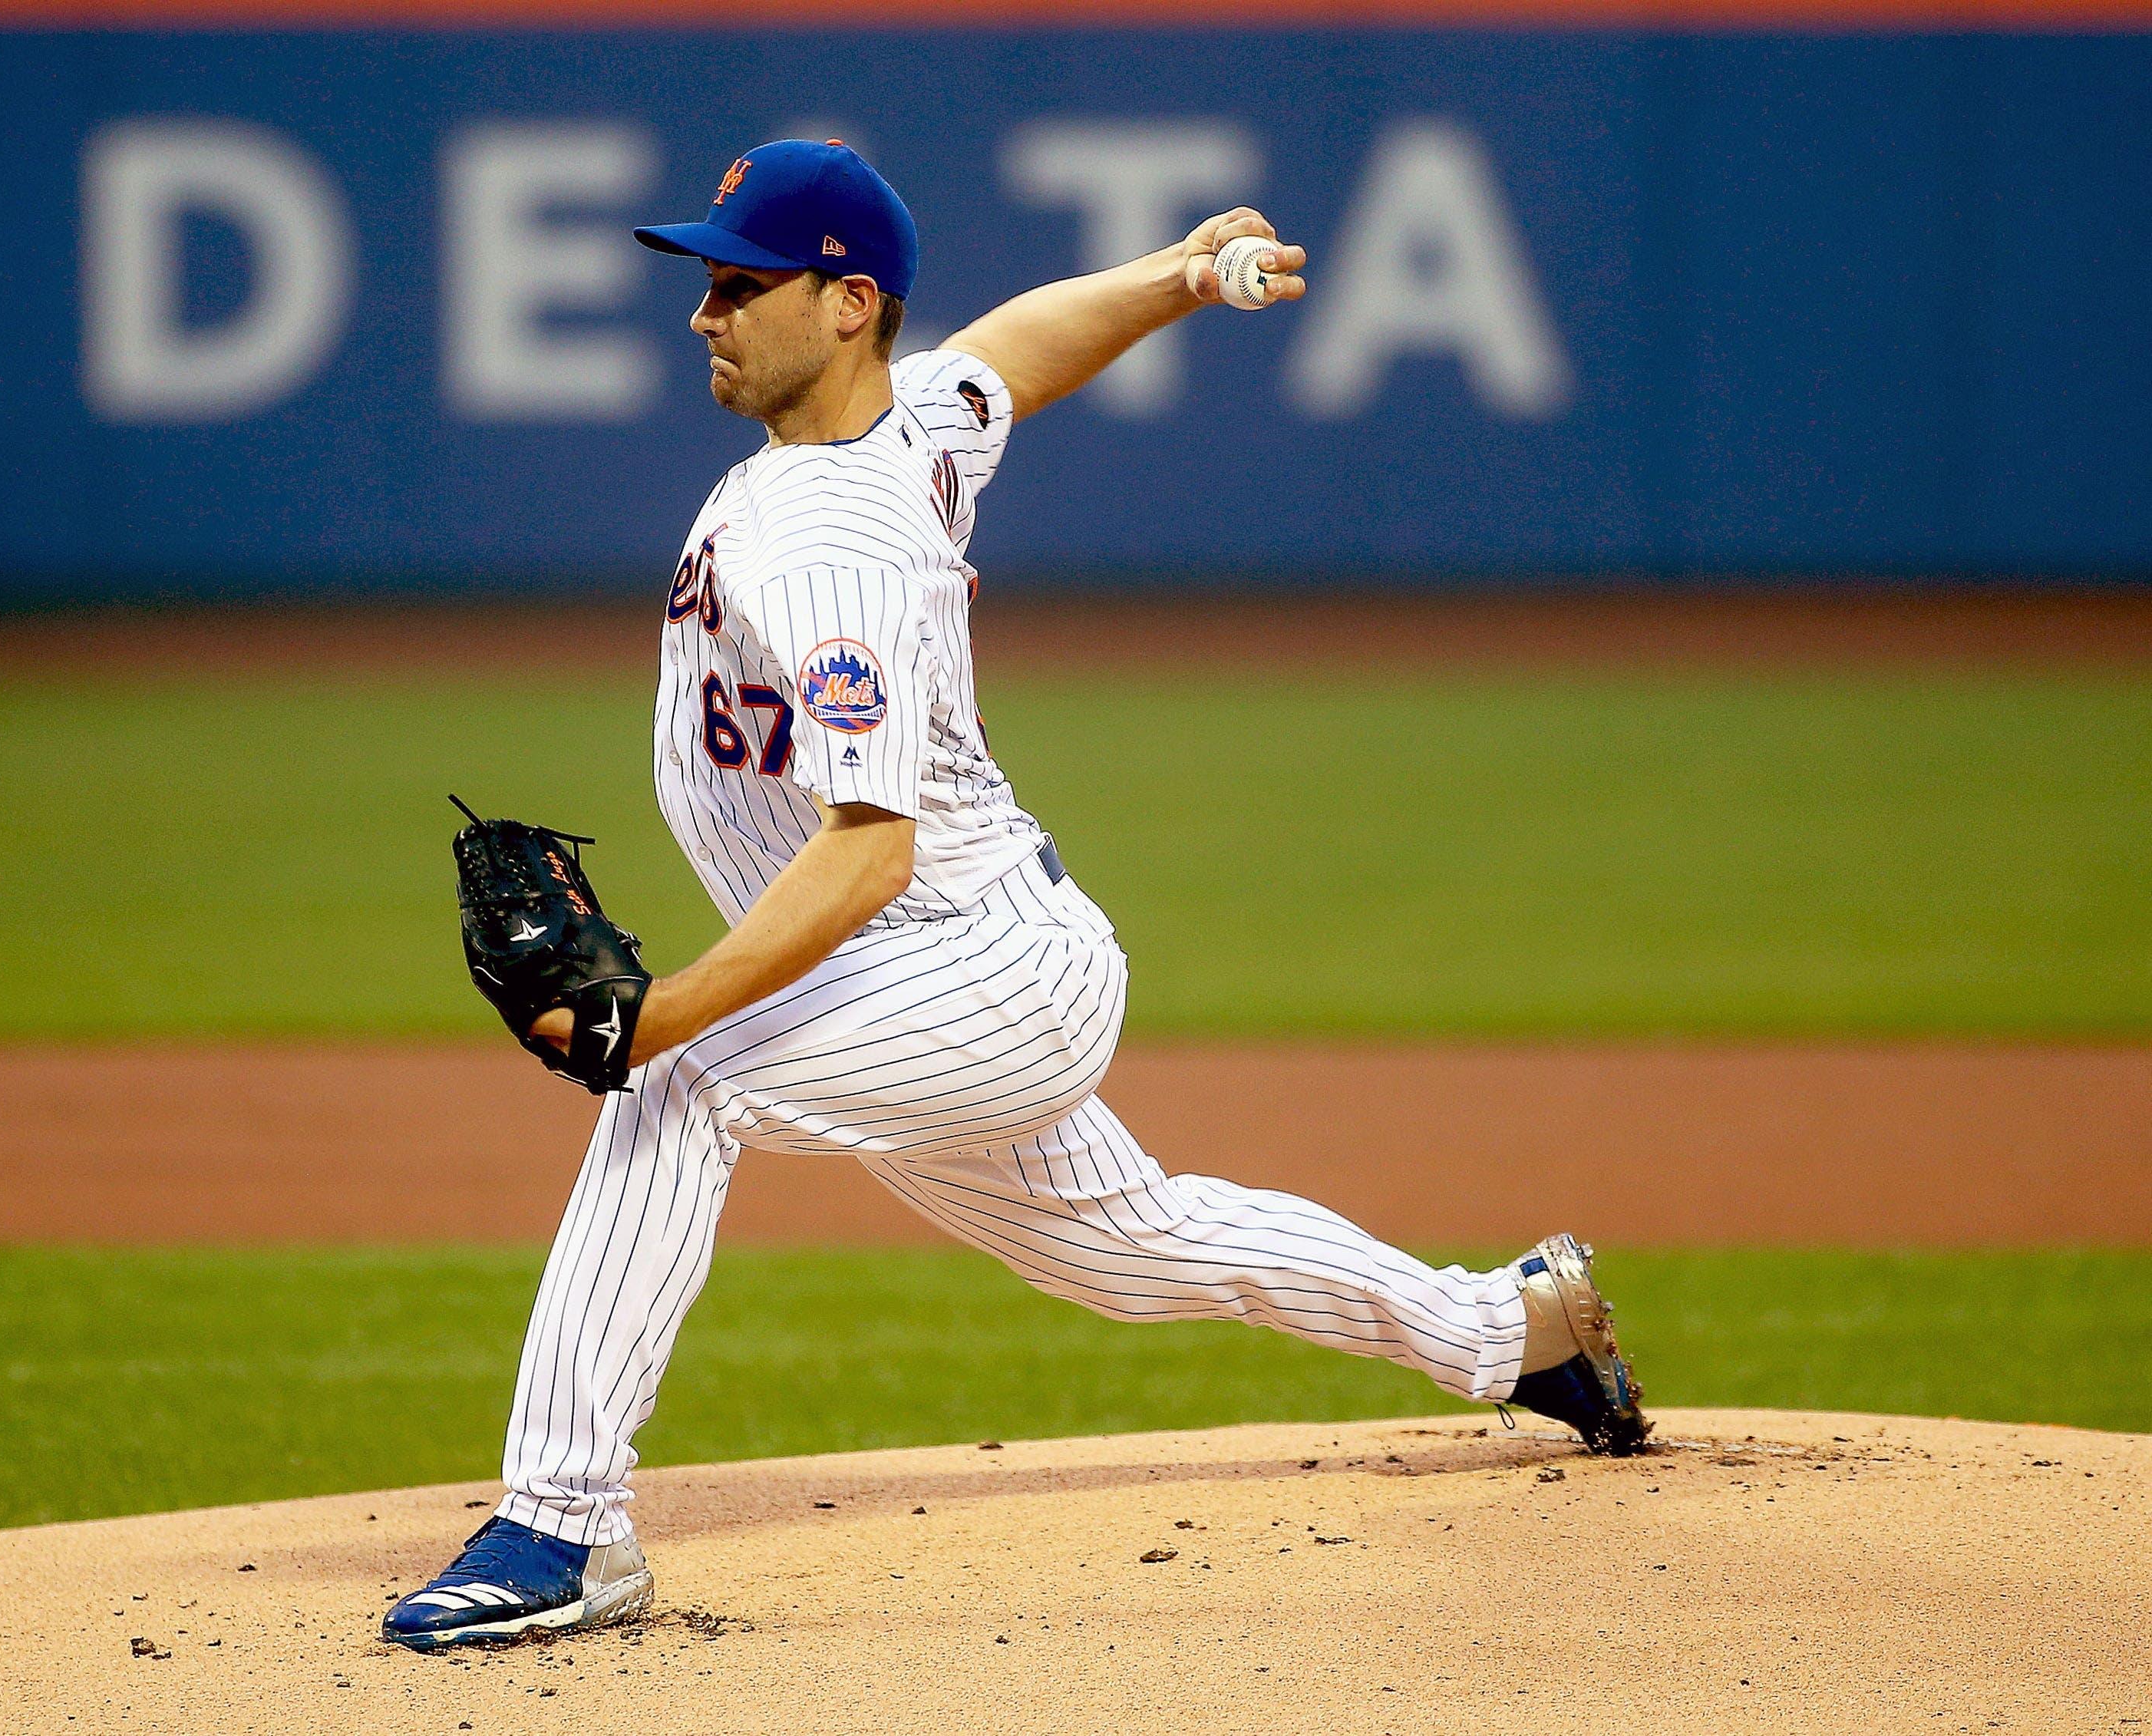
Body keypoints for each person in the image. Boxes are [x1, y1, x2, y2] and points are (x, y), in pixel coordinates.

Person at [382, 140, 1646, 1651]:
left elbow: (868, 850)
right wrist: (1174, 277)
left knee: (677, 1092)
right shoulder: (899, 423)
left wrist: (656, 1019)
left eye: (737, 283)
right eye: (702, 282)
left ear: (845, 303)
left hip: (973, 962)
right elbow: (1007, 354)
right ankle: (1509, 1329)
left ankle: (563, 1529)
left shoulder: (840, 544)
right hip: (929, 967)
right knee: (1133, 1248)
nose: (702, 312)